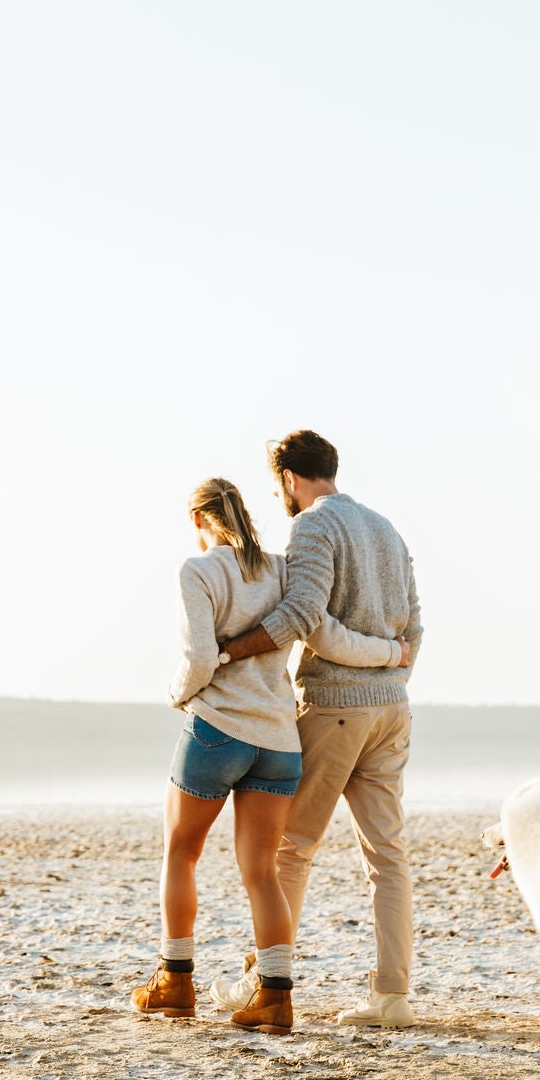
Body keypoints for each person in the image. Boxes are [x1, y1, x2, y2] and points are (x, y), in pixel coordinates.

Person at [131, 477, 407, 1035]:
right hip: (279, 740)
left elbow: (199, 658)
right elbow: (313, 625)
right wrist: (390, 654)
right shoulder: (282, 569)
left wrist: (176, 695)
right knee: (263, 872)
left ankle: (175, 981)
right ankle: (275, 999)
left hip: (218, 730)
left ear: (196, 519)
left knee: (181, 854)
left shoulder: (199, 571)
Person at [212, 431, 424, 1027]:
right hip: (393, 710)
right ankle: (392, 997)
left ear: (287, 478)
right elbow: (413, 632)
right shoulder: (387, 528)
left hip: (336, 704)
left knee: (291, 849)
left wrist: (227, 651)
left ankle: (264, 982)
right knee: (389, 854)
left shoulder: (311, 526)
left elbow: (309, 621)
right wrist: (391, 663)